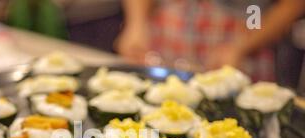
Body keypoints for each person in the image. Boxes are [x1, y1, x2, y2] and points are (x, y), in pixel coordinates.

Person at [115, 0, 305, 81]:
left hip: (243, 38)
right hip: (168, 31)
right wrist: (136, 22)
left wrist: (243, 46)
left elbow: (293, 4)